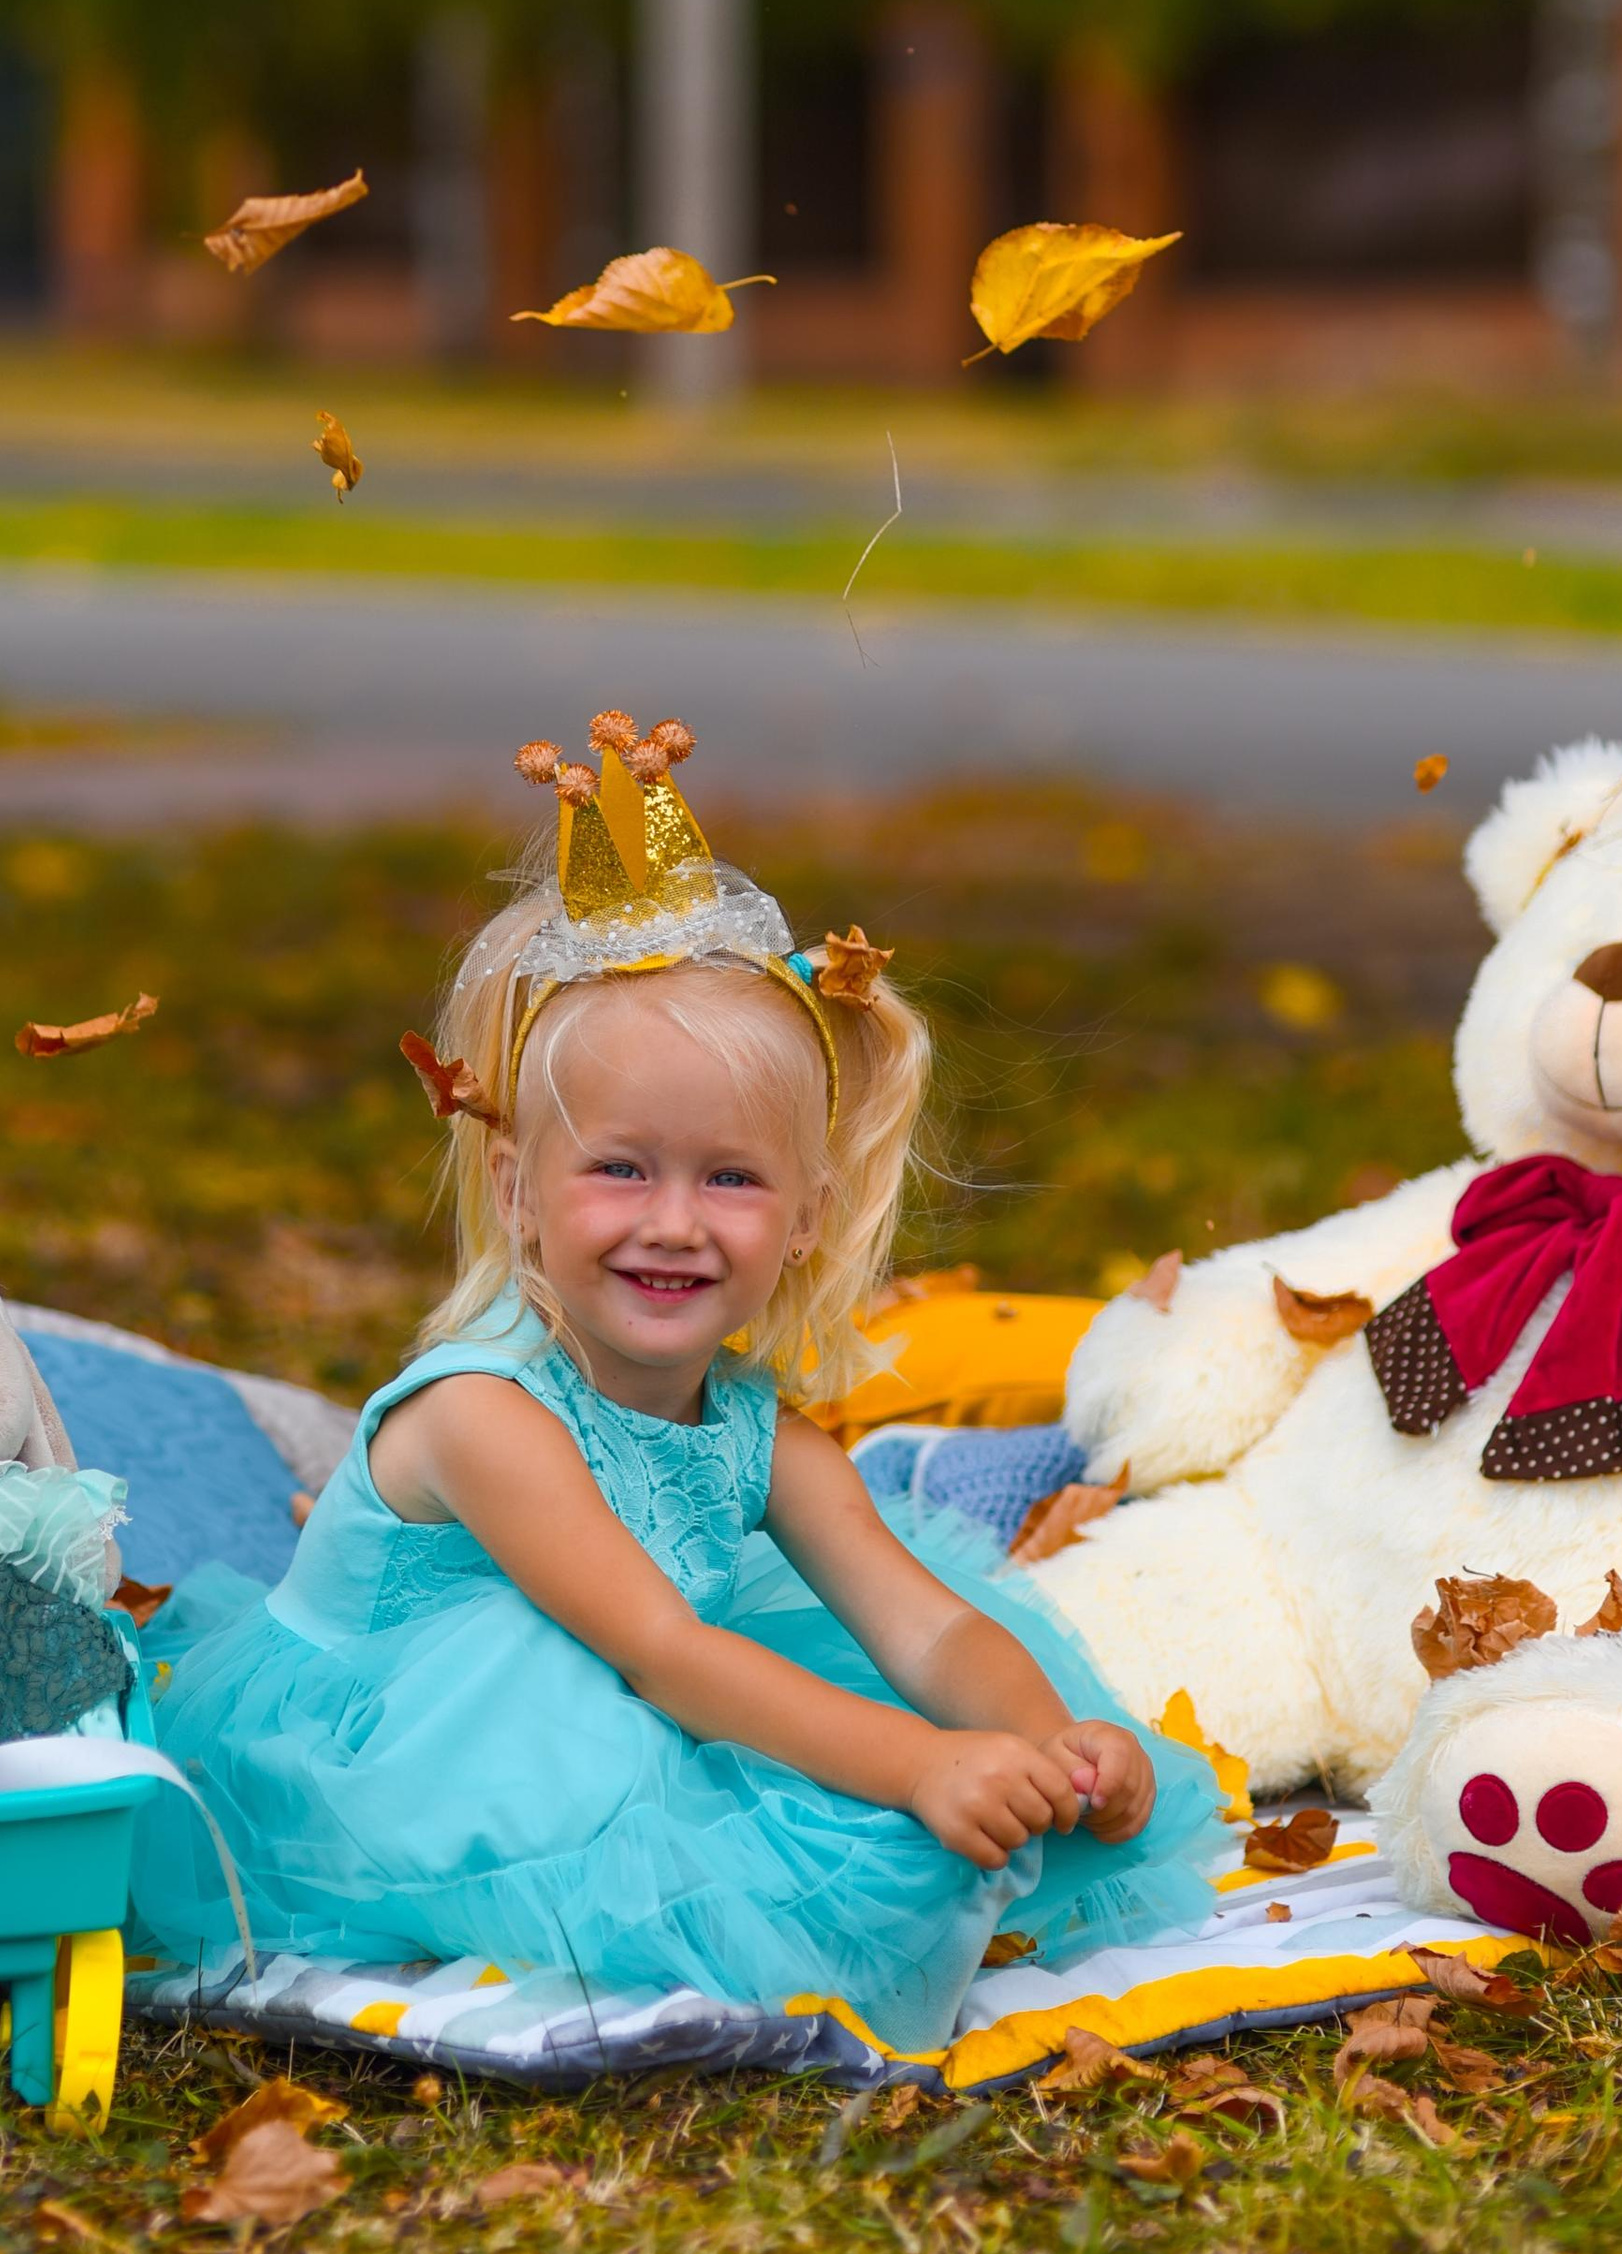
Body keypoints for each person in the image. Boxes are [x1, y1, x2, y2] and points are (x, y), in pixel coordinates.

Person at [133, 712, 1224, 2045]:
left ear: (809, 1213)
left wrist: (1042, 1740)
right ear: (515, 1189)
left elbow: (926, 1628)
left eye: (731, 1176)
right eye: (619, 1166)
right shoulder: (482, 1411)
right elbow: (661, 1652)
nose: (673, 1220)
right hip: (390, 1753)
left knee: (922, 1776)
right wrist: (923, 1763)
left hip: (626, 1695)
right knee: (748, 1799)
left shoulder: (772, 1439)